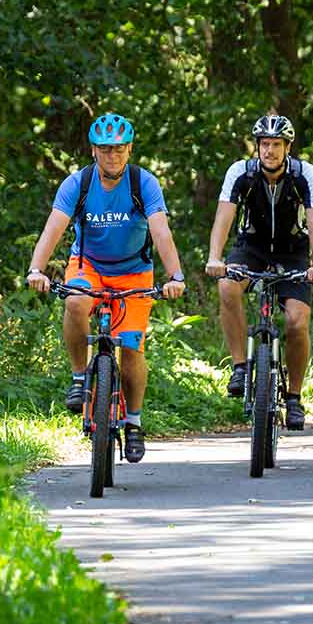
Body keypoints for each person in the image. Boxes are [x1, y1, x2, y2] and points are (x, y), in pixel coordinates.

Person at [26, 112, 187, 463]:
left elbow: (160, 231)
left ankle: (134, 423)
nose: (111, 156)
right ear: (93, 151)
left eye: (118, 149)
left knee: (131, 351)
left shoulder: (143, 183)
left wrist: (175, 276)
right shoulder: (78, 184)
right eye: (104, 149)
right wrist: (36, 268)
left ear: (129, 149)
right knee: (75, 302)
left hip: (134, 273)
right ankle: (79, 376)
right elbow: (54, 227)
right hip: (89, 267)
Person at [202, 113, 313, 431]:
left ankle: (295, 398)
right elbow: (223, 218)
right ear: (256, 146)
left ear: (287, 147)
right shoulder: (240, 173)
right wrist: (215, 257)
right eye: (264, 144)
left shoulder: (304, 175)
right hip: (252, 248)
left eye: (276, 144)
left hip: (293, 251)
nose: (269, 150)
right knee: (228, 287)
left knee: (297, 322)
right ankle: (241, 367)